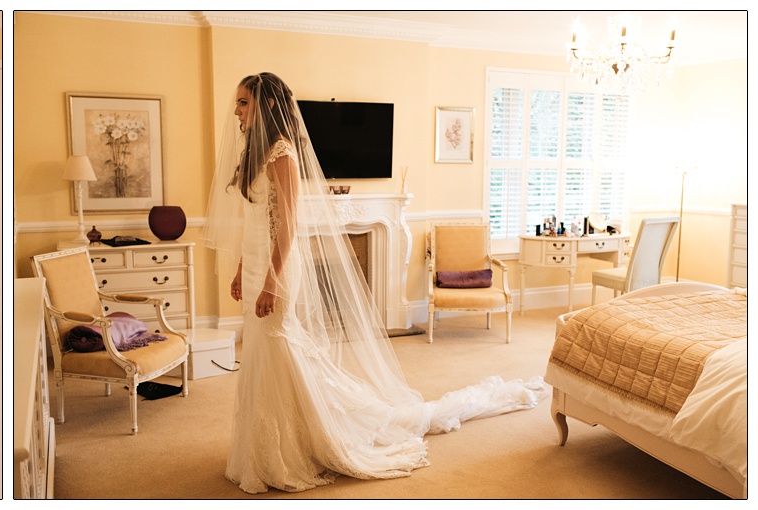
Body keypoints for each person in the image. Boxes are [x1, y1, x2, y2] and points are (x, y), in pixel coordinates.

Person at [202, 73, 548, 494]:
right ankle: (269, 443)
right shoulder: (254, 153)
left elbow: (289, 224)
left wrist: (272, 279)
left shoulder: (282, 154)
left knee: (279, 347)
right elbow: (257, 221)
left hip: (276, 271)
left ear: (268, 106)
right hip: (256, 265)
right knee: (262, 352)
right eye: (237, 103)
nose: (236, 110)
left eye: (242, 102)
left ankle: (299, 442)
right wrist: (242, 269)